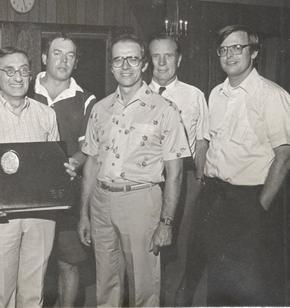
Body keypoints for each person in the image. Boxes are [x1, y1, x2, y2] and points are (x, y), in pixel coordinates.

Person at [78, 34, 191, 307]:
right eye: (118, 59)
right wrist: (84, 213)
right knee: (105, 286)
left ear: (143, 65)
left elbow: (175, 173)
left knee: (143, 287)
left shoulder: (165, 110)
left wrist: (166, 223)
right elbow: (91, 163)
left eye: (132, 58)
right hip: (101, 201)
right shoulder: (100, 108)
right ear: (111, 65)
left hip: (141, 202)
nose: (125, 65)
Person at [0, 47, 60, 308]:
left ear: (30, 76)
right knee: (0, 295)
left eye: (23, 71)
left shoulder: (47, 115)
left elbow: (53, 167)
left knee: (33, 293)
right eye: (9, 70)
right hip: (0, 216)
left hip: (41, 215)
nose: (17, 77)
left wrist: (65, 172)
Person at [203, 24, 290, 306]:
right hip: (217, 198)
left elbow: (284, 156)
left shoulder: (272, 95)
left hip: (251, 200)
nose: (229, 55)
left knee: (253, 284)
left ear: (253, 52)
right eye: (223, 49)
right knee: (219, 280)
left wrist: (260, 208)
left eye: (237, 48)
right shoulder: (216, 94)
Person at [33, 32, 97, 307]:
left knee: (68, 265)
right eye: (57, 53)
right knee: (32, 267)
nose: (64, 60)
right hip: (29, 196)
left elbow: (88, 149)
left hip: (68, 194)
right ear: (45, 57)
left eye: (70, 55)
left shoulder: (87, 99)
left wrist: (64, 168)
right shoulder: (22, 89)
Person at [147, 33, 209, 306]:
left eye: (168, 55)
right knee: (145, 248)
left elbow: (202, 140)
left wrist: (197, 179)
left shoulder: (194, 95)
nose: (162, 63)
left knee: (178, 251)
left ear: (179, 59)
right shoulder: (137, 93)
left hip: (184, 179)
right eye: (156, 56)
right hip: (146, 180)